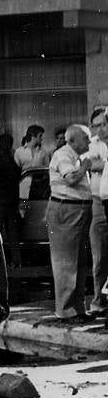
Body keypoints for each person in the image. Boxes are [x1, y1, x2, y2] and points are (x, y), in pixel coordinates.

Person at [47, 124, 96, 322]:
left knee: (78, 261)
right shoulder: (63, 155)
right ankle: (66, 311)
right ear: (73, 140)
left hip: (77, 210)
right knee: (66, 262)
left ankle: (77, 309)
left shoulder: (74, 156)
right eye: (86, 138)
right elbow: (71, 179)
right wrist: (85, 167)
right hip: (67, 210)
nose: (90, 141)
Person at [0, 134, 22, 267]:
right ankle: (16, 261)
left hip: (0, 202)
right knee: (13, 234)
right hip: (12, 202)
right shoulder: (13, 163)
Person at [91, 108, 108, 315]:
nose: (100, 129)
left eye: (103, 124)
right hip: (97, 202)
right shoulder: (92, 144)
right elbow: (91, 164)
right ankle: (98, 301)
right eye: (96, 125)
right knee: (100, 255)